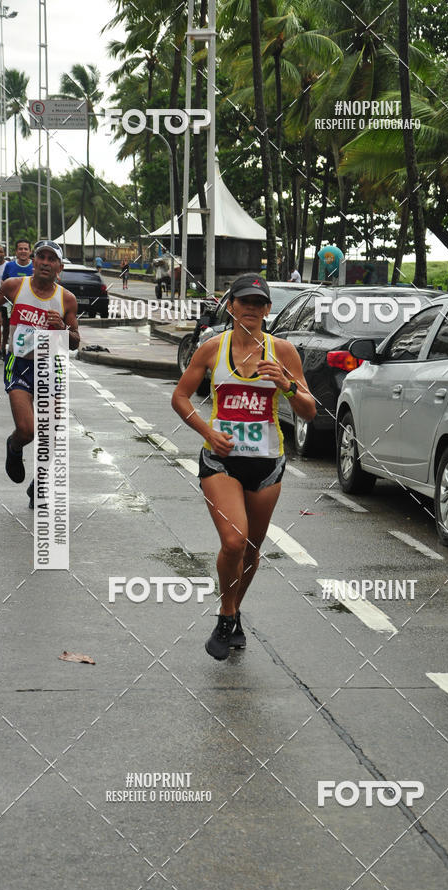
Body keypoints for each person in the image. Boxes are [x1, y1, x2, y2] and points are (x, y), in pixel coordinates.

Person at [171, 273, 316, 660]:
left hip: (266, 465)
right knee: (233, 541)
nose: (251, 309)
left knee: (251, 549)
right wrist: (207, 430)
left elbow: (310, 410)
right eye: (244, 302)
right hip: (220, 460)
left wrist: (287, 385)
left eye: (259, 303)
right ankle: (225, 613)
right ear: (231, 305)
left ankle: (234, 611)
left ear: (268, 310)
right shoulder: (211, 348)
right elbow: (181, 397)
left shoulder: (283, 352)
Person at [0, 240, 80, 508]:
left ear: (59, 267)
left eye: (51, 259)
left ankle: (40, 485)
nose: (45, 262)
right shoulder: (15, 286)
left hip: (51, 368)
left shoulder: (67, 299)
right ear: (33, 262)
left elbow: (75, 341)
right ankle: (14, 446)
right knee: (27, 429)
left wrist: (63, 329)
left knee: (52, 433)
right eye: (41, 257)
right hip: (20, 363)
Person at [0, 239, 34, 360]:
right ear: (16, 251)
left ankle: (26, 354)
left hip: (31, 306)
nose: (23, 251)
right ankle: (3, 350)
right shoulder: (9, 266)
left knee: (28, 330)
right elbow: (3, 283)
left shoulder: (35, 266)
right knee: (8, 328)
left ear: (30, 251)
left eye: (26, 249)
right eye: (20, 249)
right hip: (11, 305)